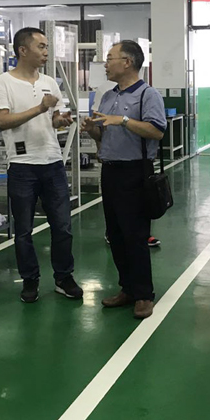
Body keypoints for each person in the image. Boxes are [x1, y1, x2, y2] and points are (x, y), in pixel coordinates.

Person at [0, 27, 83, 304]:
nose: (46, 52)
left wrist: (60, 120)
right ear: (22, 50)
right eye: (41, 46)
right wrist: (40, 108)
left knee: (62, 226)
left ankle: (64, 277)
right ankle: (30, 280)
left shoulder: (50, 82)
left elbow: (54, 118)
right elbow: (2, 121)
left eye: (46, 47)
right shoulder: (2, 83)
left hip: (52, 162)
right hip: (22, 165)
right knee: (24, 231)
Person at [81, 40, 167, 319]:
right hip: (110, 171)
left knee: (135, 234)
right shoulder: (107, 96)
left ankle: (143, 294)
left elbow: (157, 131)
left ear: (127, 62)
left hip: (135, 171)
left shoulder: (147, 95)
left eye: (110, 58)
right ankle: (127, 288)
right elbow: (103, 134)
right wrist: (91, 129)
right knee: (115, 233)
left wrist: (124, 121)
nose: (105, 64)